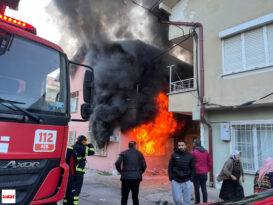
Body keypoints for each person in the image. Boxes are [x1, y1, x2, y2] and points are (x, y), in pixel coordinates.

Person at [63, 135, 95, 205]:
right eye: (85, 141)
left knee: (69, 189)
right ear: (83, 141)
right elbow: (92, 151)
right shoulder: (81, 148)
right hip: (78, 172)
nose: (86, 142)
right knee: (76, 191)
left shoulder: (73, 147)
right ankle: (73, 203)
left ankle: (66, 203)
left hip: (71, 172)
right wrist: (89, 144)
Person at [115, 141, 147, 205]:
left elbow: (117, 163)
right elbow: (144, 166)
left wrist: (121, 172)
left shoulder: (123, 153)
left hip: (126, 178)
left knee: (124, 197)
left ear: (128, 146)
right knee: (135, 197)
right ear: (135, 146)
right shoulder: (139, 154)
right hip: (136, 178)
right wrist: (140, 173)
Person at [168, 139, 195, 205]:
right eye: (179, 145)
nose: (180, 147)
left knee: (187, 201)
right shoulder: (174, 155)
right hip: (176, 181)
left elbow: (193, 168)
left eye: (182, 145)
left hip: (187, 181)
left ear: (185, 146)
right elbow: (170, 166)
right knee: (177, 200)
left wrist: (191, 178)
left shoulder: (190, 156)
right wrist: (171, 177)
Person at [191, 138, 212, 204]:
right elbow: (210, 162)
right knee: (204, 188)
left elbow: (190, 162)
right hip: (204, 173)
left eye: (193, 143)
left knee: (197, 188)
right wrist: (207, 169)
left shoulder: (193, 152)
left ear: (195, 144)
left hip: (196, 173)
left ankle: (197, 202)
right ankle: (205, 202)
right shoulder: (206, 151)